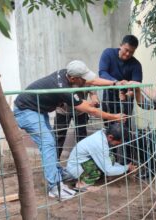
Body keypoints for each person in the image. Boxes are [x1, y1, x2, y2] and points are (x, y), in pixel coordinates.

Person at [13, 60, 125, 199]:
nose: (86, 80)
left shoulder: (65, 74)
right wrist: (113, 117)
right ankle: (54, 187)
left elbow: (92, 82)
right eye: (83, 78)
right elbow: (91, 110)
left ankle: (57, 173)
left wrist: (115, 83)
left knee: (51, 142)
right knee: (47, 142)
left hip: (38, 109)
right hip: (26, 110)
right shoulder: (64, 88)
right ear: (73, 78)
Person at [99, 35, 143, 163]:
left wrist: (129, 87)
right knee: (109, 128)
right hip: (109, 96)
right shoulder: (108, 53)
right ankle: (110, 161)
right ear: (120, 45)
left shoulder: (136, 64)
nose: (128, 53)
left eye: (131, 52)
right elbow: (102, 73)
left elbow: (137, 83)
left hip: (126, 99)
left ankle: (127, 162)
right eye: (126, 49)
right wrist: (116, 83)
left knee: (126, 128)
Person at [66, 123, 136, 190]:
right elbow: (108, 170)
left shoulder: (102, 135)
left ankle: (88, 178)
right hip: (76, 169)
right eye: (118, 143)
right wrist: (126, 168)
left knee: (111, 157)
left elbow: (108, 161)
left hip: (81, 164)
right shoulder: (99, 144)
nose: (117, 145)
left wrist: (124, 167)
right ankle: (82, 185)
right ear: (110, 137)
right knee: (99, 168)